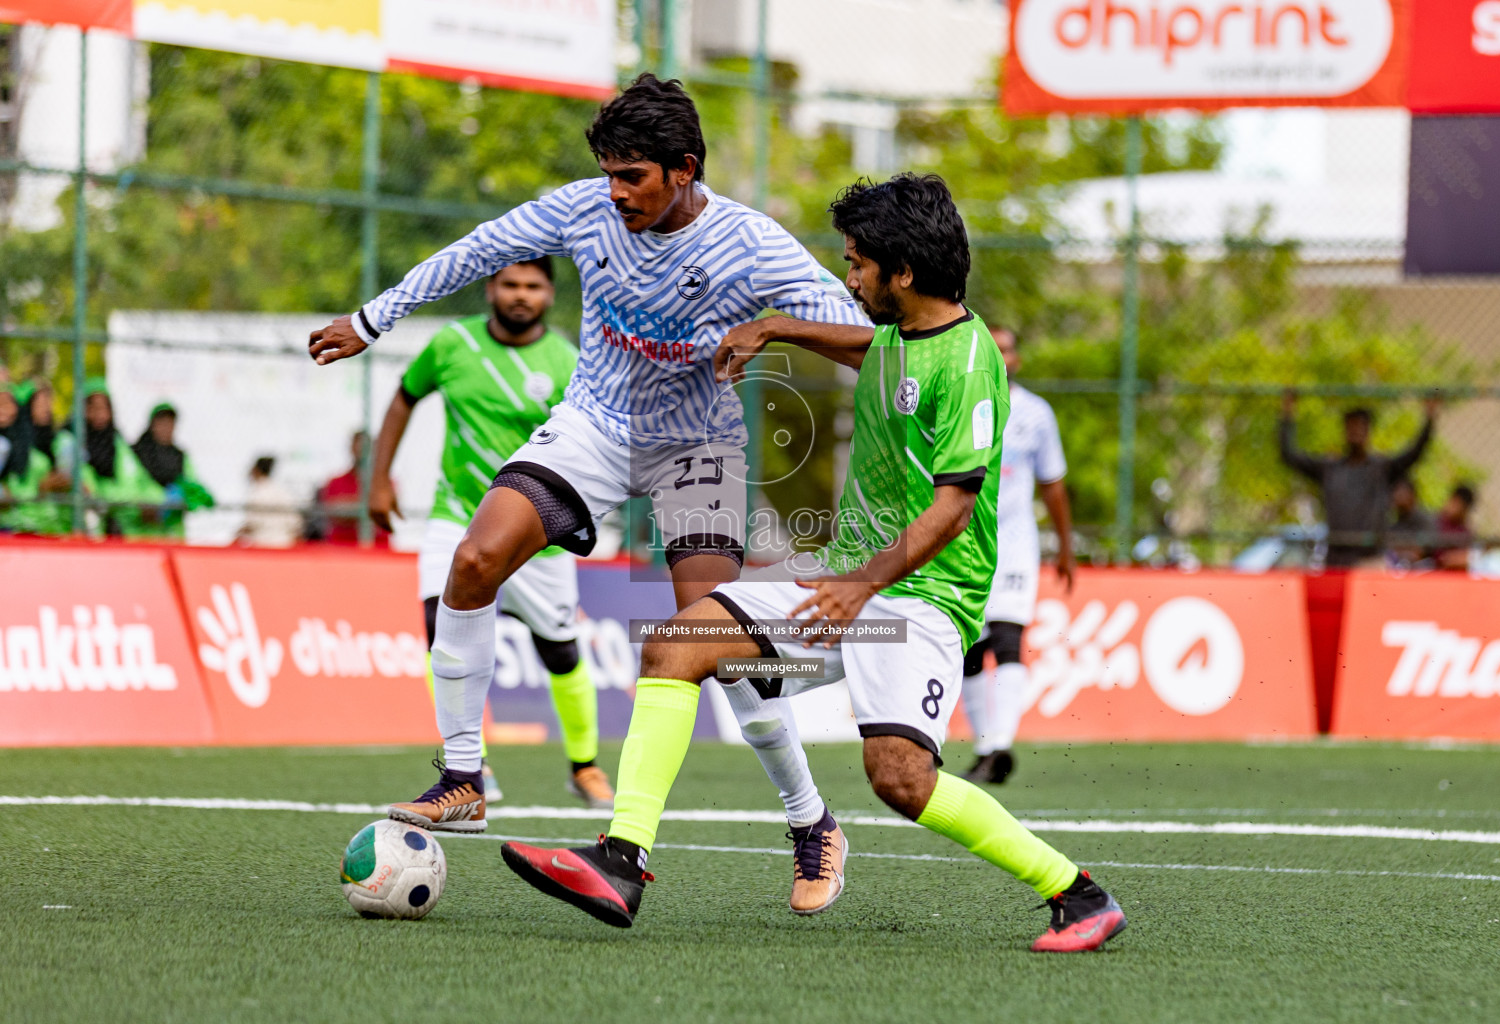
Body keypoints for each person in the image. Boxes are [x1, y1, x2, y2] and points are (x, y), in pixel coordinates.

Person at [500, 174, 1126, 952]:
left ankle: (1080, 893)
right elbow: (874, 347)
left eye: (858, 263)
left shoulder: (968, 365)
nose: (847, 277)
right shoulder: (907, 334)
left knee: (899, 778)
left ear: (902, 273)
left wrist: (861, 586)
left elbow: (954, 507)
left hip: (920, 600)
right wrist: (776, 328)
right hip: (845, 581)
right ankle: (621, 862)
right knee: (676, 643)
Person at [308, 74, 872, 911]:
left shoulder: (752, 246)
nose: (615, 193)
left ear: (684, 169)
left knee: (706, 644)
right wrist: (373, 318)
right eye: (607, 173)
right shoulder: (582, 209)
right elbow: (477, 251)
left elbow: (866, 339)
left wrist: (778, 324)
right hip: (596, 426)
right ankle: (462, 774)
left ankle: (812, 820)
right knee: (474, 559)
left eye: (632, 176)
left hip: (699, 447)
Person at [368, 258, 612, 809]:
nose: (520, 294)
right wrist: (380, 479)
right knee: (440, 622)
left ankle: (585, 766)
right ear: (491, 288)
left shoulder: (569, 362)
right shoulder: (451, 346)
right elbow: (404, 398)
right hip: (457, 514)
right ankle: (466, 766)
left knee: (561, 653)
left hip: (539, 523)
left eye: (532, 285)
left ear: (549, 295)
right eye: (510, 284)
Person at [960, 327, 1074, 785]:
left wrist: (1066, 546)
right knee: (970, 649)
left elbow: (1054, 485)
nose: (1001, 356)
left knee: (1008, 639)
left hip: (1014, 544)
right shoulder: (958, 399)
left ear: (1017, 359)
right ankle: (985, 745)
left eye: (1008, 348)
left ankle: (1002, 746)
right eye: (994, 347)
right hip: (962, 542)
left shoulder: (1035, 414)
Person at [1279, 393, 1439, 567]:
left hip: (1370, 559)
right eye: (1351, 426)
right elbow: (1290, 455)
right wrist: (1288, 414)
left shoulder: (1382, 469)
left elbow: (1414, 453)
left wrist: (1429, 417)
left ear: (1368, 430)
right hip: (1336, 559)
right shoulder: (1329, 468)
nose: (1355, 431)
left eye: (1360, 426)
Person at [55, 378, 167, 537]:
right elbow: (84, 485)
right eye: (93, 408)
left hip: (124, 531)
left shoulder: (116, 442)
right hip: (82, 530)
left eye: (104, 408)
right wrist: (124, 501)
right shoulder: (68, 440)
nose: (100, 415)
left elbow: (139, 479)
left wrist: (158, 500)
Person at [131, 401, 214, 538]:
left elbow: (191, 485)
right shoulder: (136, 453)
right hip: (143, 536)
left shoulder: (180, 456)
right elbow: (131, 485)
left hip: (173, 535)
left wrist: (185, 497)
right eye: (162, 422)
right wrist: (155, 505)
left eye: (170, 423)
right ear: (152, 425)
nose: (166, 428)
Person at [0, 383, 69, 534]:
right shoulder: (12, 445)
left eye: (47, 402)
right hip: (18, 524)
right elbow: (13, 487)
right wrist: (40, 488)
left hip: (50, 524)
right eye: (39, 403)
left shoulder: (57, 441)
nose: (46, 408)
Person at [316, 430, 389, 546]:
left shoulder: (383, 482)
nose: (361, 450)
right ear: (351, 447)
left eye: (364, 446)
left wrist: (350, 505)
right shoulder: (335, 482)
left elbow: (385, 507)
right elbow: (334, 512)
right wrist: (368, 502)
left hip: (377, 547)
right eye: (357, 445)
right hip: (341, 547)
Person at [237, 456, 303, 547]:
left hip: (262, 544)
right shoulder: (283, 492)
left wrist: (238, 533)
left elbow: (253, 523)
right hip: (285, 544)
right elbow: (295, 522)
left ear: (256, 470)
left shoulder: (257, 493)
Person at [1385, 478, 1433, 567]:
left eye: (1401, 493)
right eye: (1395, 493)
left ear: (1412, 495)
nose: (1396, 497)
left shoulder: (1424, 520)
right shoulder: (1395, 523)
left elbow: (1422, 549)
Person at [1433, 484, 1476, 571]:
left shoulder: (1464, 530)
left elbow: (1468, 558)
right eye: (1454, 502)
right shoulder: (1436, 523)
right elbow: (1442, 559)